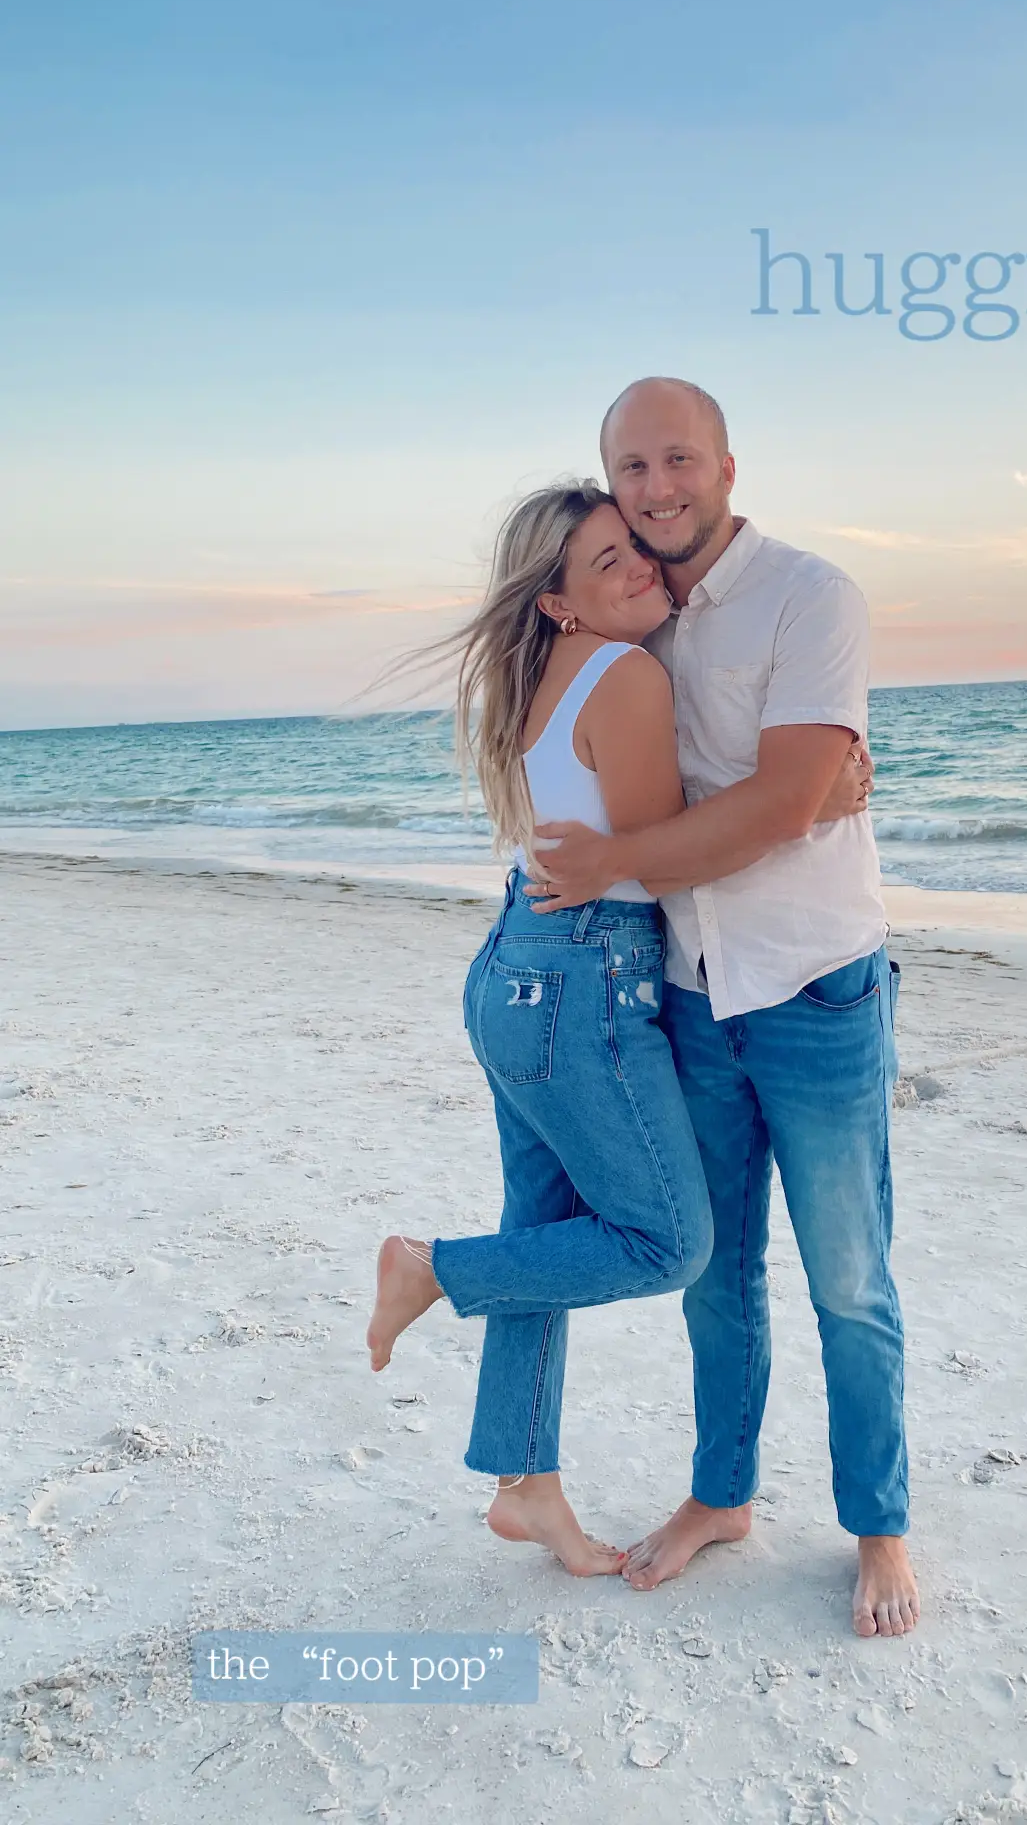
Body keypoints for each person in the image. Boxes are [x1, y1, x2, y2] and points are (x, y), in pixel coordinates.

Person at [365, 480, 863, 1578]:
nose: (640, 570)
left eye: (634, 550)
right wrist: (809, 799)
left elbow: (629, 835)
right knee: (668, 1241)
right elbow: (659, 847)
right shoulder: (625, 674)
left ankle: (525, 1484)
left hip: (517, 974)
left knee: (542, 1231)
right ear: (557, 604)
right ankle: (432, 1270)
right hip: (586, 984)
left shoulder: (546, 675)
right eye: (606, 565)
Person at [525, 377, 919, 1638]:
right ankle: (723, 1498)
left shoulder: (812, 597)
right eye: (631, 468)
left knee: (849, 1281)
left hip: (815, 990)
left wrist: (787, 806)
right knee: (717, 1277)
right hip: (688, 998)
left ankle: (881, 1529)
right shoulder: (630, 620)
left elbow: (782, 804)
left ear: (729, 466)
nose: (656, 489)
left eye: (677, 460)